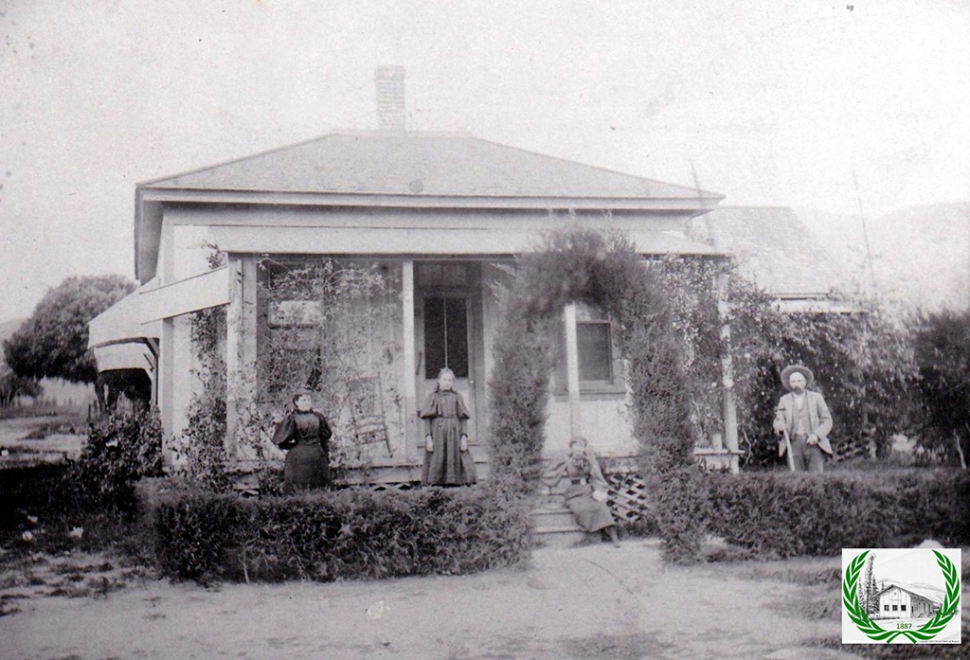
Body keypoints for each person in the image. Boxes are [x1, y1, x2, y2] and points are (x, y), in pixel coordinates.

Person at [542, 437, 620, 547]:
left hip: (588, 490)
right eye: (576, 445)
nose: (579, 448)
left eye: (581, 445)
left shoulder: (589, 459)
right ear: (572, 447)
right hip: (575, 493)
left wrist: (599, 489)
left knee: (601, 507)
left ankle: (614, 537)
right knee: (580, 508)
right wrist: (548, 487)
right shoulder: (566, 460)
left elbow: (597, 476)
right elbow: (552, 473)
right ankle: (591, 533)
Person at [421, 367, 477, 485]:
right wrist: (428, 437)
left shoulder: (457, 397)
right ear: (439, 380)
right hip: (437, 434)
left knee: (456, 458)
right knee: (438, 458)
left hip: (454, 433)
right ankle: (437, 487)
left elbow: (463, 418)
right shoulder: (432, 397)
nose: (447, 382)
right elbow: (427, 419)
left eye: (450, 380)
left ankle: (455, 485)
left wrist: (464, 437)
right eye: (445, 379)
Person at [772, 364, 833, 473]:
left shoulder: (816, 398)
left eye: (799, 381)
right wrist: (780, 427)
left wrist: (816, 435)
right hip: (794, 444)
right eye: (793, 382)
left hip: (814, 444)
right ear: (789, 384)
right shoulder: (784, 400)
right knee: (796, 479)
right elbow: (778, 420)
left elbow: (827, 420)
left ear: (805, 382)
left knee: (816, 478)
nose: (796, 384)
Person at [272, 392, 333, 494]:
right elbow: (281, 441)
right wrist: (296, 446)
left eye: (308, 400)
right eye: (303, 400)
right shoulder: (292, 418)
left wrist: (326, 456)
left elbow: (324, 438)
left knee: (318, 489)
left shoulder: (318, 417)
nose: (307, 402)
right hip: (299, 459)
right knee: (299, 488)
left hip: (317, 457)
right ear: (296, 402)